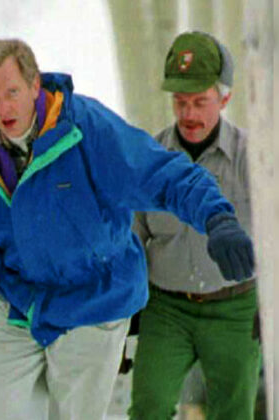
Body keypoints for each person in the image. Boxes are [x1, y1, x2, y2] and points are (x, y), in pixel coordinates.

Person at [0, 39, 254, 420]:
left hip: (94, 296)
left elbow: (160, 173)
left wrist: (217, 218)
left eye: (11, 92)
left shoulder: (85, 129)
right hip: (21, 300)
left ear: (33, 85)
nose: (2, 108)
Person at [128, 32, 260, 420]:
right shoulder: (151, 159)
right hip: (167, 309)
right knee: (148, 407)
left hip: (236, 307)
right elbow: (133, 235)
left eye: (200, 102)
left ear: (224, 99)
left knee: (235, 413)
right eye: (180, 102)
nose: (188, 114)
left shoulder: (254, 160)